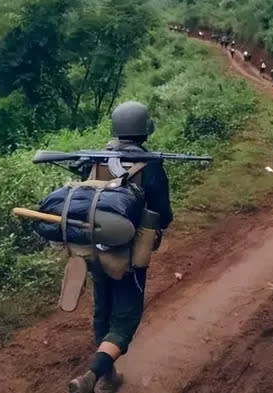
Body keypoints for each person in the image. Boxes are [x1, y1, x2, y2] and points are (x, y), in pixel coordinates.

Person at [68, 101, 173, 393]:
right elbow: (164, 214)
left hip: (94, 249)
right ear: (144, 130)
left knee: (103, 309)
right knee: (126, 318)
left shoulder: (95, 158)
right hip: (127, 256)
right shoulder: (150, 165)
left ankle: (108, 376)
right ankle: (91, 375)